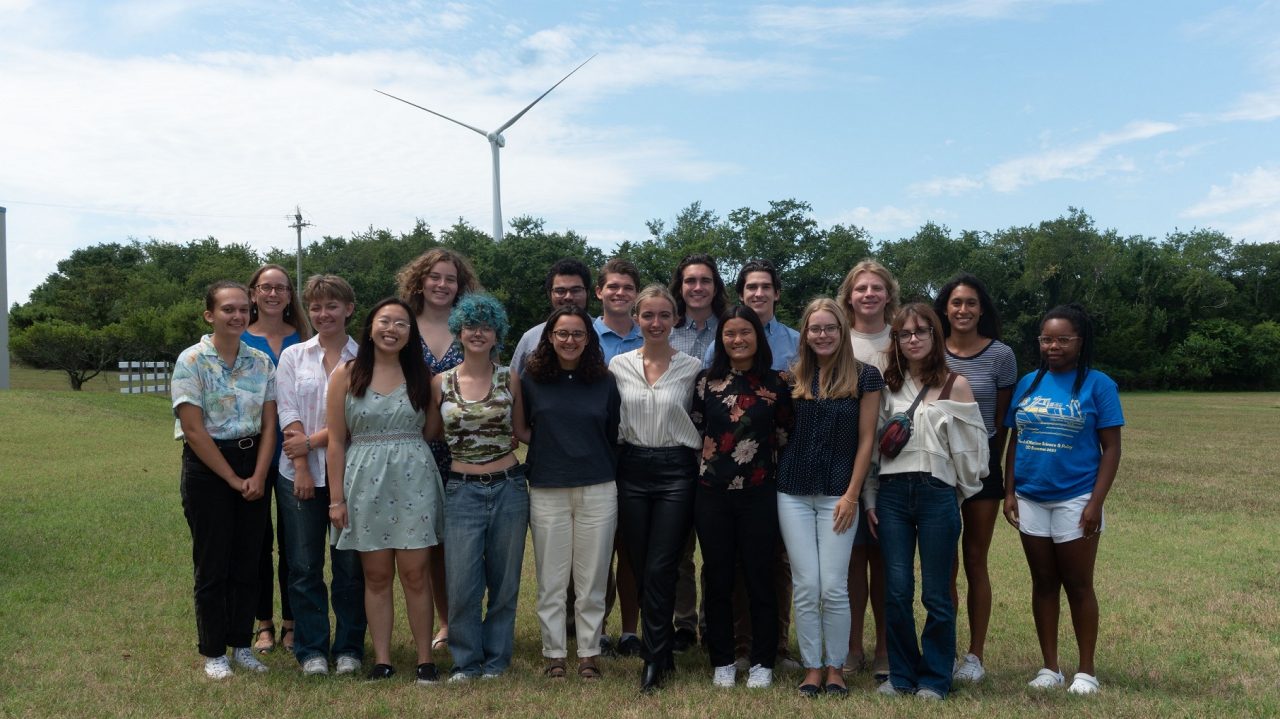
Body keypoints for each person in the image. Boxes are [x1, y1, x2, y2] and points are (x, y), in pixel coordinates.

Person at [865, 303, 988, 701]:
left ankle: (935, 677)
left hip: (937, 496)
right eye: (905, 333)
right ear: (896, 341)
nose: (913, 339)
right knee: (897, 590)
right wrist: (870, 499)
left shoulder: (957, 386)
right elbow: (871, 451)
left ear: (935, 336)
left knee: (937, 592)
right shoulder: (886, 386)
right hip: (892, 496)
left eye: (921, 332)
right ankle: (901, 674)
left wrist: (954, 493)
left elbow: (973, 457)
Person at [1004, 303, 1123, 695]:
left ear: (1080, 341)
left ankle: (1086, 671)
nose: (1053, 346)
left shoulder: (1098, 384)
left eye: (1062, 339)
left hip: (1076, 498)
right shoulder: (1028, 383)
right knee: (1042, 582)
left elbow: (1111, 449)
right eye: (1046, 339)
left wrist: (1095, 502)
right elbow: (1015, 439)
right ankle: (1049, 667)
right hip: (1031, 496)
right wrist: (1009, 492)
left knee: (1078, 583)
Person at [326, 298, 445, 683]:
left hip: (414, 481)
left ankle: (425, 660)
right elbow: (335, 441)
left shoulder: (421, 375)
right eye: (385, 321)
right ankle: (382, 659)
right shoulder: (346, 374)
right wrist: (336, 499)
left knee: (416, 574)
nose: (392, 329)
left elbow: (430, 431)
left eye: (402, 324)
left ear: (411, 333)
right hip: (363, 485)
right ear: (370, 326)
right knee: (376, 577)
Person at [775, 297, 882, 698]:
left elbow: (867, 440)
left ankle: (836, 667)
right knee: (806, 584)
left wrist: (852, 495)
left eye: (830, 328)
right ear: (805, 333)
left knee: (833, 585)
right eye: (815, 328)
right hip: (793, 492)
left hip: (840, 493)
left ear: (842, 332)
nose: (822, 335)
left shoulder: (865, 377)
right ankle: (812, 667)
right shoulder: (792, 377)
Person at [173, 280, 277, 679]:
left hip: (254, 463)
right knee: (212, 562)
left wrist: (258, 474)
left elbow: (270, 425)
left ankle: (241, 644)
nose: (237, 316)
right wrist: (234, 479)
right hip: (209, 468)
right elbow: (194, 429)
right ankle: (214, 651)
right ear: (210, 315)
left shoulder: (261, 362)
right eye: (228, 309)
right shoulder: (192, 361)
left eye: (243, 310)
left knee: (249, 559)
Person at [691, 305, 793, 689]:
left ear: (758, 336)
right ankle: (723, 659)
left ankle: (764, 660)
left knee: (759, 577)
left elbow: (783, 435)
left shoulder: (778, 383)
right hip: (712, 495)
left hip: (759, 494)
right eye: (730, 333)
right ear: (722, 339)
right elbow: (698, 431)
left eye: (745, 332)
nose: (737, 339)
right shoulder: (705, 383)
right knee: (718, 579)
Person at [610, 284, 703, 692]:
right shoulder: (618, 366)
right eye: (648, 315)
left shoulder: (693, 367)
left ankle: (653, 658)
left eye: (664, 315)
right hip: (631, 467)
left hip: (676, 470)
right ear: (636, 319)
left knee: (663, 563)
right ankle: (661, 650)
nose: (656, 322)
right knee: (639, 561)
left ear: (675, 319)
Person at [521, 305, 621, 681]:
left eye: (578, 334)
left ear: (589, 339)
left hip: (597, 486)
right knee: (552, 577)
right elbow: (523, 427)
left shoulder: (604, 381)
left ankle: (589, 654)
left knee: (592, 578)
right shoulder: (531, 380)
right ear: (549, 337)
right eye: (562, 333)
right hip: (548, 487)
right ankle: (554, 653)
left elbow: (611, 431)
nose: (569, 340)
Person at [432, 293, 529, 681]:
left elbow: (521, 432)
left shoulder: (510, 377)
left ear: (496, 334)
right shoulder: (441, 381)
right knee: (462, 584)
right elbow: (430, 432)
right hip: (461, 490)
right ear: (458, 331)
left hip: (508, 487)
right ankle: (466, 661)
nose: (477, 332)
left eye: (486, 327)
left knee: (505, 584)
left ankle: (496, 661)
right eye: (471, 325)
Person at [275, 275, 366, 676]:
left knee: (349, 567)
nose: (323, 313)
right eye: (315, 306)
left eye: (331, 306)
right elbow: (286, 410)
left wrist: (310, 444)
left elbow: (354, 419)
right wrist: (301, 466)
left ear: (349, 308)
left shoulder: (365, 358)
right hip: (297, 477)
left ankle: (348, 647)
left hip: (349, 474)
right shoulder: (294, 355)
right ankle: (311, 649)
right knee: (304, 566)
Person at [396, 247, 482, 653]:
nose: (442, 285)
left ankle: (454, 621)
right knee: (423, 543)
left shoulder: (471, 326)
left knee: (456, 544)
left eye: (450, 279)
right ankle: (436, 625)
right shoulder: (402, 325)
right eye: (435, 277)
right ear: (420, 281)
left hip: (462, 450)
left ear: (460, 286)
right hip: (412, 447)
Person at [933, 273, 1018, 683]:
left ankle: (975, 656)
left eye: (970, 303)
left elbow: (1003, 422)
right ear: (944, 309)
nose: (963, 310)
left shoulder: (1001, 355)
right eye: (955, 303)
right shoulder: (931, 350)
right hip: (938, 468)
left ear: (982, 309)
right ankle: (945, 650)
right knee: (943, 565)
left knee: (975, 561)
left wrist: (994, 471)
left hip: (982, 469)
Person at [836, 258, 899, 680]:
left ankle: (886, 650)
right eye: (861, 289)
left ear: (888, 295)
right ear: (849, 295)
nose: (869, 294)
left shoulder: (904, 338)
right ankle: (853, 646)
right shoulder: (839, 341)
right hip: (848, 466)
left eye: (877, 288)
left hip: (896, 465)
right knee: (852, 562)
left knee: (888, 562)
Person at [243, 264, 311, 654]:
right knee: (256, 543)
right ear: (253, 293)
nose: (273, 294)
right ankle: (263, 624)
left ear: (290, 296)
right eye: (265, 287)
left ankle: (291, 622)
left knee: (295, 545)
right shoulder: (239, 337)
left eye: (281, 288)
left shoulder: (305, 339)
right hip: (250, 458)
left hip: (293, 458)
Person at [667, 253, 728, 651]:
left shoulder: (734, 329)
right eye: (690, 281)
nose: (698, 287)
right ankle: (685, 624)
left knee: (719, 548)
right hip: (676, 455)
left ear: (715, 287)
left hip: (724, 459)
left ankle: (713, 623)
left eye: (705, 280)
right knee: (679, 549)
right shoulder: (664, 331)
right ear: (681, 287)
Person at [590, 258, 643, 656]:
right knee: (597, 550)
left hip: (639, 454)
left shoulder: (653, 334)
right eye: (613, 287)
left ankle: (629, 631)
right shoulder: (582, 336)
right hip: (595, 454)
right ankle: (597, 629)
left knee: (631, 547)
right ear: (600, 292)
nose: (619, 293)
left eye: (627, 287)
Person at [510, 258, 593, 377]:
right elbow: (514, 385)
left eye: (575, 290)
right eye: (560, 291)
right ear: (550, 294)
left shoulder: (602, 333)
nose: (568, 297)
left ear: (588, 293)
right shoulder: (530, 339)